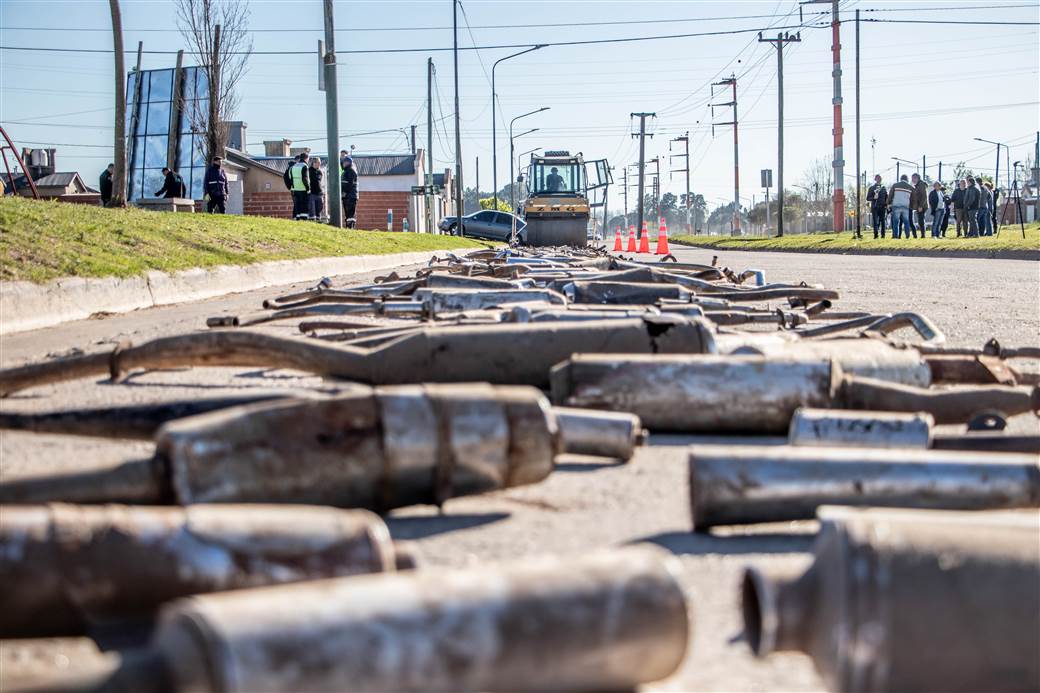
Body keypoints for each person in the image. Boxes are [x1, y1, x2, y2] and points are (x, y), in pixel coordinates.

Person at [285, 152, 311, 220]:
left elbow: (289, 177)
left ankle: (297, 218)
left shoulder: (293, 167)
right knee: (304, 206)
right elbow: (305, 178)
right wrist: (308, 188)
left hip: (294, 190)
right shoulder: (304, 166)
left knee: (297, 206)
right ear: (306, 158)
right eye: (308, 159)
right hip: (303, 189)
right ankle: (304, 219)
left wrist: (290, 187)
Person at [888, 174, 914, 240]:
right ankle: (907, 236)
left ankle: (895, 236)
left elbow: (890, 195)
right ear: (907, 179)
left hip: (896, 205)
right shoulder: (910, 187)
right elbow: (913, 198)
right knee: (906, 222)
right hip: (906, 206)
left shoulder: (895, 185)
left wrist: (888, 203)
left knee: (896, 222)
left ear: (901, 178)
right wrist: (912, 206)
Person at [866, 174, 888, 238]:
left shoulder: (884, 188)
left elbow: (886, 197)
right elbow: (868, 198)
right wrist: (874, 197)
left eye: (880, 178)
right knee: (875, 221)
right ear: (875, 179)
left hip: (882, 207)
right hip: (875, 207)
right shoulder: (871, 188)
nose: (879, 179)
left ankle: (883, 235)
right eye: (877, 178)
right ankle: (876, 235)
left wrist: (887, 204)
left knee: (883, 221)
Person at [341, 155, 359, 227]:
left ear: (349, 162)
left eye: (346, 162)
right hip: (347, 196)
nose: (344, 164)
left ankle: (351, 227)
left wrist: (345, 192)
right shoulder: (346, 171)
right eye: (343, 162)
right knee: (348, 213)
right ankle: (349, 226)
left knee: (350, 213)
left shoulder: (351, 170)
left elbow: (350, 184)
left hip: (350, 196)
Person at [910, 173, 927, 240]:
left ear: (917, 178)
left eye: (913, 178)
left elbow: (924, 196)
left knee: (921, 220)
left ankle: (923, 235)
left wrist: (920, 206)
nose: (912, 180)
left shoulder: (921, 184)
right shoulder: (917, 185)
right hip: (919, 205)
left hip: (922, 206)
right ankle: (923, 234)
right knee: (921, 220)